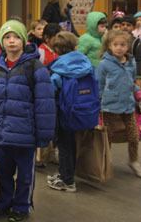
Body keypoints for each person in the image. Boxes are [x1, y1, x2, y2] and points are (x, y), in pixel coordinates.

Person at [0, 20, 56, 222]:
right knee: (3, 173)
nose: (11, 41)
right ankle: (3, 203)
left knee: (25, 176)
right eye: (7, 37)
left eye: (16, 37)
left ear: (24, 40)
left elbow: (45, 104)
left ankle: (21, 206)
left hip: (26, 134)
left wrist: (44, 135)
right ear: (1, 41)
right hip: (3, 132)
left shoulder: (35, 67)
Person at [97, 30, 141, 178]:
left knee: (134, 135)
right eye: (115, 44)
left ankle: (134, 161)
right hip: (109, 107)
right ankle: (106, 161)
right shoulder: (104, 65)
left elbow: (131, 83)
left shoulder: (131, 63)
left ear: (128, 47)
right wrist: (97, 105)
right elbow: (99, 86)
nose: (119, 48)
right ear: (109, 46)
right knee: (108, 137)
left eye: (123, 44)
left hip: (128, 106)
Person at [46, 32, 94, 193]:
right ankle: (66, 174)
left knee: (64, 146)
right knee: (72, 144)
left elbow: (51, 90)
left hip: (64, 113)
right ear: (75, 46)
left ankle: (67, 181)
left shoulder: (57, 68)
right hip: (83, 110)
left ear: (56, 50)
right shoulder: (86, 63)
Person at [120, 15, 141, 90]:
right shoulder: (115, 39)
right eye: (123, 24)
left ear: (134, 27)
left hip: (131, 73)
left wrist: (139, 77)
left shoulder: (136, 42)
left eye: (128, 25)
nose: (125, 27)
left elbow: (140, 60)